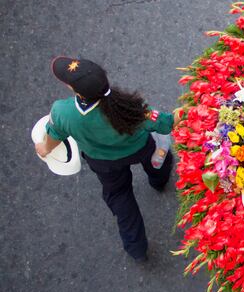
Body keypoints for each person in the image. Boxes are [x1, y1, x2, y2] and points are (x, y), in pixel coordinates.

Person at [34, 57, 179, 262]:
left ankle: (137, 248)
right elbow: (165, 123)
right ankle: (158, 181)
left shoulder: (62, 112)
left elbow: (54, 137)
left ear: (74, 90)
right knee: (159, 160)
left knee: (120, 197)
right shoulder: (130, 107)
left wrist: (43, 148)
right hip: (139, 148)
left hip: (103, 162)